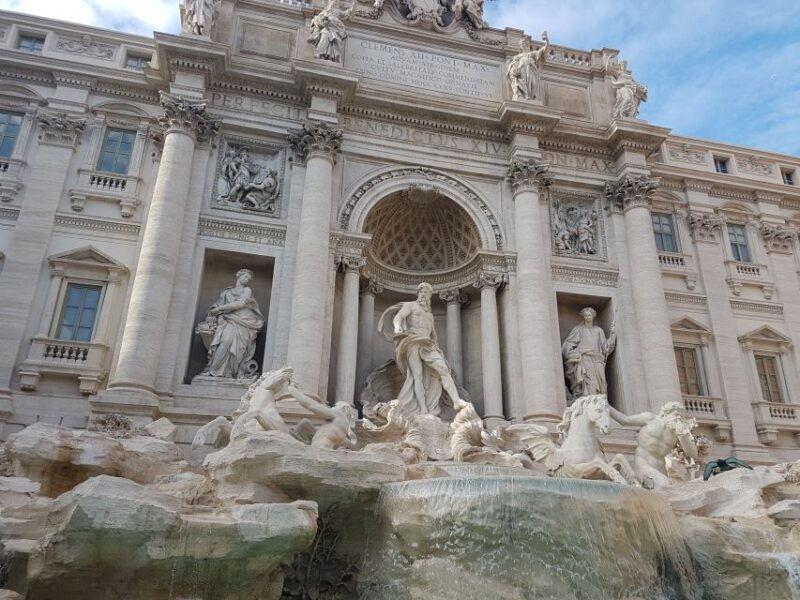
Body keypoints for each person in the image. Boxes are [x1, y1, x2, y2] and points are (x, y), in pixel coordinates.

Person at [378, 282, 468, 417]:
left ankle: (456, 400)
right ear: (418, 293)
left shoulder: (430, 316)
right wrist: (398, 327)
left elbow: (433, 334)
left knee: (443, 369)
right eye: (422, 292)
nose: (424, 295)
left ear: (430, 295)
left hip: (428, 344)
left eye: (427, 292)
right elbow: (399, 317)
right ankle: (423, 409)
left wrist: (437, 348)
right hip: (412, 342)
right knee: (417, 376)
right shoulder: (411, 306)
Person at [608, 402, 698, 489]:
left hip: (661, 470)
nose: (678, 418)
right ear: (666, 413)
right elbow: (624, 420)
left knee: (669, 492)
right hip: (643, 464)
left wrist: (683, 435)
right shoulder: (650, 418)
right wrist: (606, 405)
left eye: (681, 417)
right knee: (664, 485)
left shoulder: (678, 431)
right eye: (676, 414)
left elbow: (692, 453)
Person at [200, 269, 265, 379]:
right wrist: (215, 310)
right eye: (245, 277)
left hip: (244, 321)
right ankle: (213, 370)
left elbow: (240, 303)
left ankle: (230, 373)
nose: (246, 280)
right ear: (238, 276)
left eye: (248, 279)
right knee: (225, 341)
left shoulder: (247, 290)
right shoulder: (227, 292)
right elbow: (217, 305)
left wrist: (220, 309)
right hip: (228, 319)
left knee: (237, 347)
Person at [561, 307, 616, 398]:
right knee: (589, 383)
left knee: (602, 384)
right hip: (585, 359)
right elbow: (567, 346)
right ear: (583, 317)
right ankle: (590, 401)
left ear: (593, 316)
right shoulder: (579, 330)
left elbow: (605, 347)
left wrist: (612, 334)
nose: (587, 317)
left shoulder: (599, 330)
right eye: (586, 315)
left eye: (589, 315)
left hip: (597, 360)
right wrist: (579, 352)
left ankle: (599, 402)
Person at [507, 31, 549, 101]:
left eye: (525, 43)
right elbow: (512, 68)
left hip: (530, 71)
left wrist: (547, 41)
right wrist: (514, 72)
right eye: (522, 43)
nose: (524, 45)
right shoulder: (517, 57)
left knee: (533, 83)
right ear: (520, 46)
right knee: (521, 84)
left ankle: (529, 96)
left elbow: (543, 51)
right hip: (521, 72)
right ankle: (523, 95)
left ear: (528, 44)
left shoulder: (532, 54)